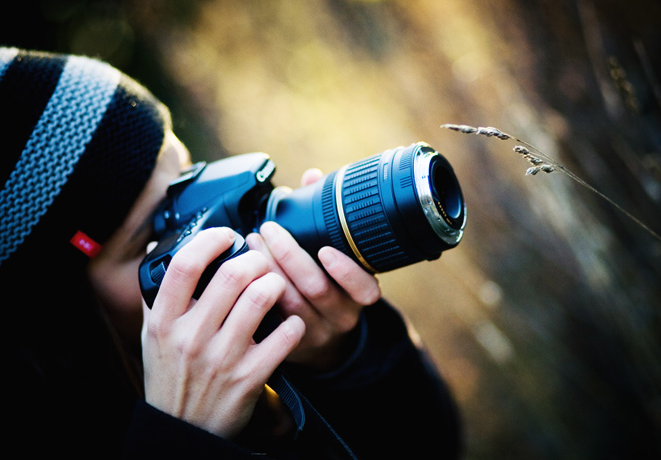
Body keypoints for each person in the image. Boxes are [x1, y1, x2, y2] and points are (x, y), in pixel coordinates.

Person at [1, 47, 461, 459]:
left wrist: (346, 362)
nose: (214, 227)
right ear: (61, 318)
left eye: (189, 179)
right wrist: (180, 439)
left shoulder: (278, 380)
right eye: (155, 237)